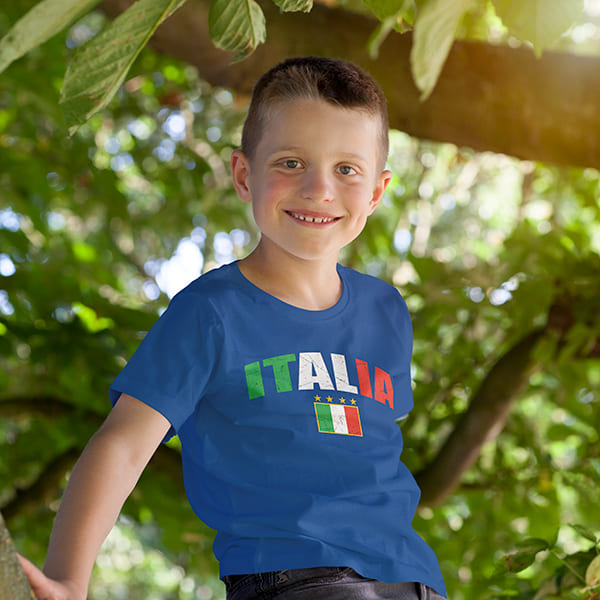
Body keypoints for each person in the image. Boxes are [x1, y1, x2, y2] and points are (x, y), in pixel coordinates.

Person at [18, 56, 447, 600]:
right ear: (244, 175)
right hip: (296, 577)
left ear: (377, 192)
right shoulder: (211, 311)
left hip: (416, 581)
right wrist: (67, 579)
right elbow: (124, 445)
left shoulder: (386, 312)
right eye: (291, 163)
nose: (319, 189)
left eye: (346, 169)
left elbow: (369, 458)